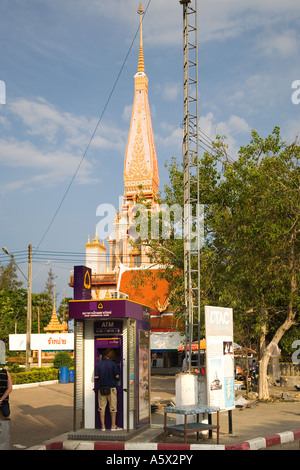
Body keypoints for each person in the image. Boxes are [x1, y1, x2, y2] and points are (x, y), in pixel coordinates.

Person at [94, 349, 122, 431]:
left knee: (101, 407)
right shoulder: (113, 364)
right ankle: (113, 426)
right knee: (113, 407)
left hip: (102, 389)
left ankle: (103, 426)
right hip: (111, 388)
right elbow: (117, 376)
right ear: (111, 355)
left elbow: (96, 377)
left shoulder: (99, 364)